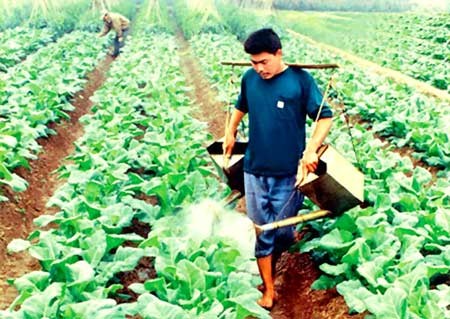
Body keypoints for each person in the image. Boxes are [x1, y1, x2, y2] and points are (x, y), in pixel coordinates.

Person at [223, 28, 333, 310]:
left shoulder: (300, 81)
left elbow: (325, 118)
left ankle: (282, 254)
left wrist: (310, 149)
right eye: (253, 63)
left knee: (283, 232)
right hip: (254, 170)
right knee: (263, 230)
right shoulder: (249, 79)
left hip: (289, 174)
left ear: (278, 53)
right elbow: (240, 106)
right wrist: (230, 131)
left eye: (264, 62)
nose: (259, 69)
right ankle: (269, 290)